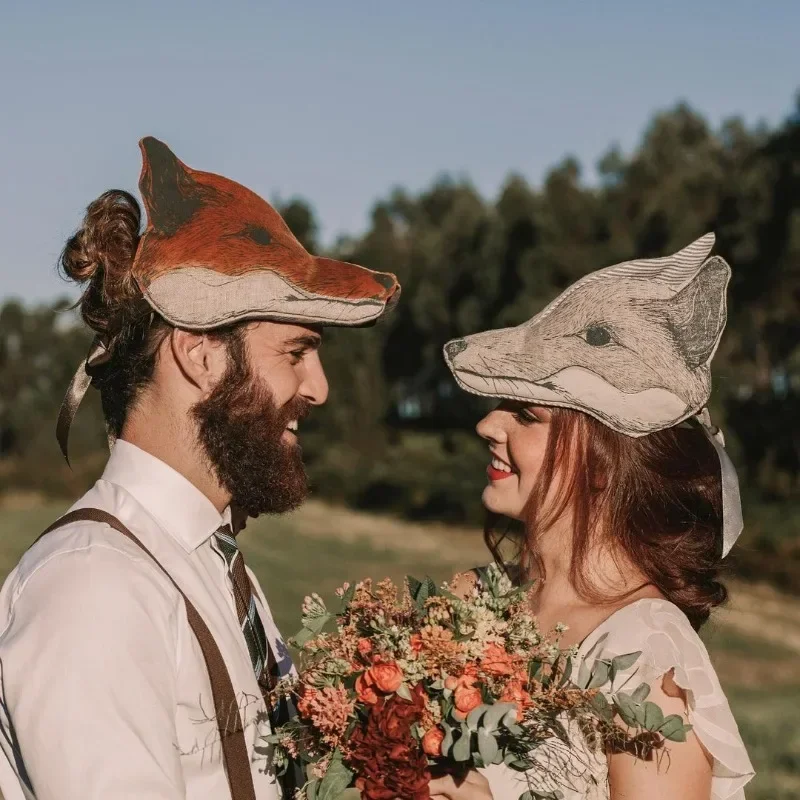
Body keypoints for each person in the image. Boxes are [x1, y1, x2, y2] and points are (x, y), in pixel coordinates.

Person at [0, 137, 399, 800]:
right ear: (200, 356)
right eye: (296, 352)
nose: (319, 387)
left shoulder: (214, 565)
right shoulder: (94, 587)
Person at [429, 234, 754, 800]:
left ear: (604, 463)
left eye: (526, 413)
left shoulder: (644, 654)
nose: (487, 426)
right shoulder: (473, 604)